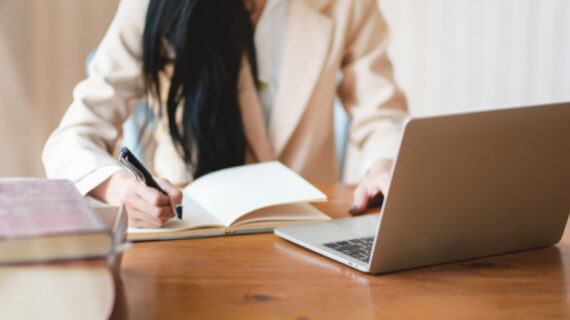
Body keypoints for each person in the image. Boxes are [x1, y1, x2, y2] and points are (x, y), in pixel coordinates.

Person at [42, 0, 408, 228]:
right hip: (191, 234)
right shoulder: (150, 5)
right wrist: (119, 188)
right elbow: (73, 137)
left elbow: (380, 114)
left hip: (308, 234)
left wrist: (384, 164)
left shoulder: (350, 5)